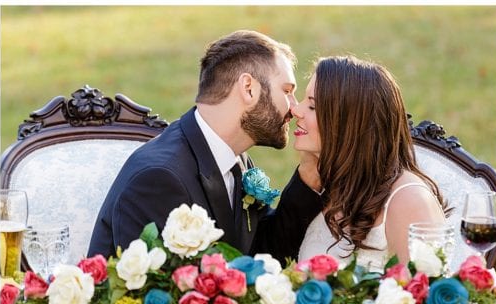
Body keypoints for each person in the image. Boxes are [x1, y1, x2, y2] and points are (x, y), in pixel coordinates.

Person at [88, 30, 324, 259]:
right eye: (287, 91)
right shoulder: (159, 179)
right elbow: (162, 295)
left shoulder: (235, 159)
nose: (294, 108)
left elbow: (263, 253)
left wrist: (308, 176)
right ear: (248, 88)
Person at [292, 56, 447, 272]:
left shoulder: (408, 201)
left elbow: (428, 297)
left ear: (349, 123)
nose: (295, 111)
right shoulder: (332, 183)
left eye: (312, 106)